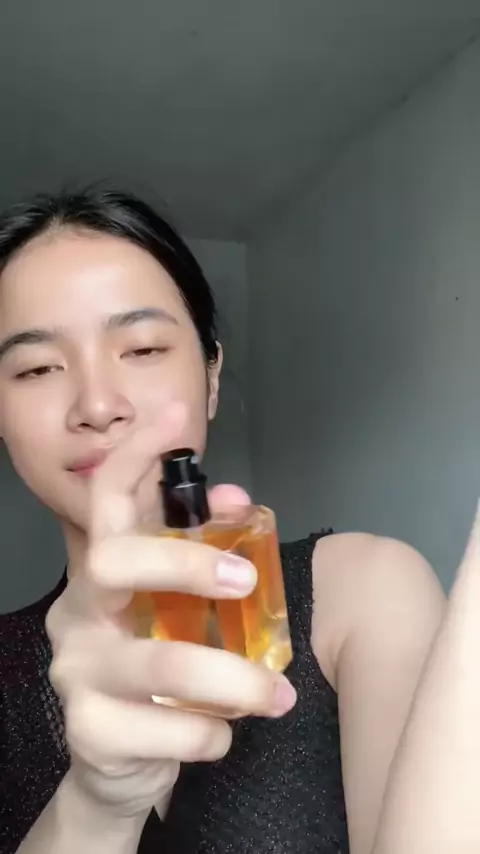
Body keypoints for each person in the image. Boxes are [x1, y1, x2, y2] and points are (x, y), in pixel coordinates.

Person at [0, 187, 445, 854]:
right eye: (36, 368)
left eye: (142, 349)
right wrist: (96, 805)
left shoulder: (366, 591)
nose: (96, 405)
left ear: (211, 377)